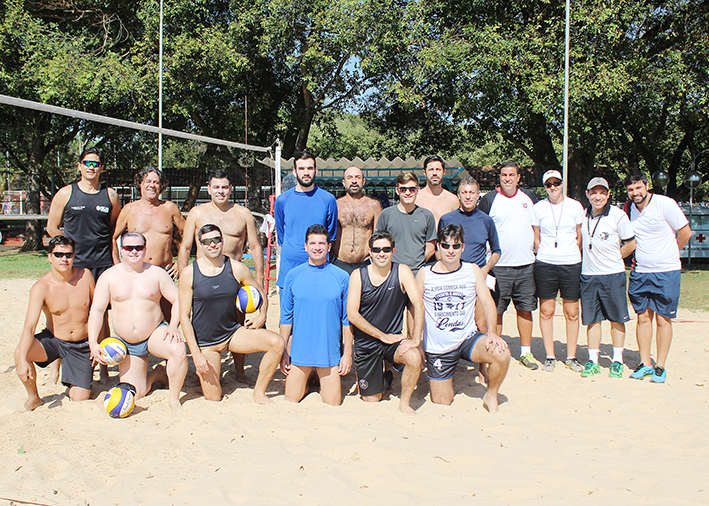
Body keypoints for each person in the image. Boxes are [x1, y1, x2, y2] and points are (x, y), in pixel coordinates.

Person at [179, 224, 283, 404]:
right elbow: (184, 318)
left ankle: (259, 393)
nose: (212, 245)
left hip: (232, 334)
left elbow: (261, 293)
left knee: (277, 343)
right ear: (200, 245)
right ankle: (209, 375)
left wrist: (262, 315)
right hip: (207, 343)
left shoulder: (237, 268)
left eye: (216, 240)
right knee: (213, 397)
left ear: (222, 241)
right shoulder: (189, 273)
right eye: (207, 242)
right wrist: (196, 354)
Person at [178, 169, 263, 383]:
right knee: (200, 323)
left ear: (230, 189)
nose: (220, 191)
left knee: (239, 322)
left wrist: (259, 279)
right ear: (209, 189)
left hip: (233, 279)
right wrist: (182, 277)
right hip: (204, 278)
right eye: (216, 187)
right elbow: (186, 246)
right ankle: (202, 369)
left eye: (224, 187)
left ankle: (240, 371)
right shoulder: (197, 213)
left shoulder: (242, 213)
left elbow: (254, 245)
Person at [89, 232, 187, 412]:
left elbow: (179, 299)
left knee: (178, 349)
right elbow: (96, 310)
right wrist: (93, 342)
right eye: (128, 248)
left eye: (138, 247)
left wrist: (173, 325)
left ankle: (174, 398)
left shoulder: (156, 273)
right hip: (126, 344)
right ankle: (157, 373)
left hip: (154, 334)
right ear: (121, 250)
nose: (133, 251)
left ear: (145, 249)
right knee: (137, 391)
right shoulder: (109, 276)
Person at [416, 224, 510, 412]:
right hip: (438, 348)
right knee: (442, 402)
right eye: (446, 245)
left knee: (502, 353)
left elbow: (488, 302)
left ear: (463, 247)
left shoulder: (472, 269)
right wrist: (416, 339)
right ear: (438, 248)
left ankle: (490, 395)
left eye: (456, 246)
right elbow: (414, 308)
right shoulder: (425, 273)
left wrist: (492, 333)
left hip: (467, 339)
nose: (451, 251)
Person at [46, 146, 121, 383]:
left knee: (102, 317)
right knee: (65, 314)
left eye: (95, 163)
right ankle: (54, 366)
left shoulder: (110, 196)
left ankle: (105, 367)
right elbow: (52, 227)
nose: (91, 167)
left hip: (101, 264)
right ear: (79, 166)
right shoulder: (65, 193)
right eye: (87, 163)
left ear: (101, 168)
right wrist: (66, 253)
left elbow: (112, 229)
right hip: (73, 265)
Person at [625, 170, 692, 383]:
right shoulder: (628, 209)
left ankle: (660, 366)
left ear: (646, 186)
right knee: (643, 318)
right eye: (630, 189)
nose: (635, 192)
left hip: (666, 271)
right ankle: (646, 364)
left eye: (638, 187)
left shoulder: (665, 204)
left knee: (663, 319)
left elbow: (685, 232)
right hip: (640, 271)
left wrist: (670, 254)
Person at [346, 232, 423, 415]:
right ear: (370, 252)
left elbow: (418, 304)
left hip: (393, 340)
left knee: (414, 357)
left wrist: (416, 339)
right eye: (377, 249)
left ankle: (404, 403)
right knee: (371, 399)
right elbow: (352, 314)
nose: (382, 253)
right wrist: (382, 336)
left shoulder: (402, 271)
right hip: (367, 343)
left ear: (393, 251)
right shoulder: (358, 275)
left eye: (386, 249)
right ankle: (388, 375)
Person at [14, 236, 95, 410]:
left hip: (81, 344)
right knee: (21, 351)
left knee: (80, 397)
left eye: (68, 254)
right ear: (50, 257)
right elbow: (29, 326)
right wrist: (21, 361)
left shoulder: (86, 276)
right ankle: (34, 397)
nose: (64, 259)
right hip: (55, 339)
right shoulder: (41, 287)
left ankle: (74, 376)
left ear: (74, 256)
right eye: (58, 254)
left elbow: (98, 313)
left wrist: (98, 345)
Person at [280, 225, 352, 405]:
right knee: (292, 398)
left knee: (333, 402)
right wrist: (283, 353)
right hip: (300, 353)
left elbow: (347, 319)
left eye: (321, 243)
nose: (317, 247)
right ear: (305, 246)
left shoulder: (342, 277)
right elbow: (286, 318)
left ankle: (317, 377)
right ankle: (308, 378)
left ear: (329, 246)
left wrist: (347, 354)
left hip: (328, 353)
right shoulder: (293, 275)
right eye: (312, 243)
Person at [478, 161, 539, 370]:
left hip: (526, 265)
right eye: (504, 175)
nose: (507, 178)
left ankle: (526, 353)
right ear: (500, 177)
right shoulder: (488, 200)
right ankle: (497, 351)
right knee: (497, 311)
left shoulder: (529, 198)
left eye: (511, 175)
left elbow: (537, 227)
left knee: (525, 310)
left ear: (518, 177)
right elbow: (481, 229)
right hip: (498, 267)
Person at [580, 177, 636, 378]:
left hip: (613, 275)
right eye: (593, 192)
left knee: (616, 318)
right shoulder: (583, 215)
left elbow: (630, 244)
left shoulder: (618, 216)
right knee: (592, 320)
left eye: (602, 192)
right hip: (588, 275)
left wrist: (614, 257)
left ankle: (617, 360)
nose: (598, 196)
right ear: (587, 194)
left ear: (608, 194)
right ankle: (592, 361)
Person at [531, 170, 585, 373]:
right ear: (544, 187)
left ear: (562, 184)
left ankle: (571, 356)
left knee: (572, 312)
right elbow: (536, 236)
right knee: (547, 311)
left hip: (571, 263)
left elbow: (579, 236)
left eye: (556, 183)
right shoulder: (538, 208)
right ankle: (550, 356)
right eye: (549, 184)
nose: (553, 187)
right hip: (545, 263)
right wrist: (543, 252)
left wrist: (569, 253)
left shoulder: (575, 206)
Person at [438, 176, 501, 334]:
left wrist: (485, 270)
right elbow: (439, 250)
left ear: (478, 194)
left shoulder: (486, 220)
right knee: (453, 323)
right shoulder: (447, 219)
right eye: (464, 192)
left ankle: (484, 358)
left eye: (471, 192)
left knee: (481, 324)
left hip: (478, 276)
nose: (468, 196)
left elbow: (497, 251)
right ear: (458, 195)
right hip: (453, 278)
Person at [275, 151, 338, 288]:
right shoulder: (282, 200)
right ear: (294, 172)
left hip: (319, 269)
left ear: (316, 171)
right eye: (301, 168)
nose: (306, 172)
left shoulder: (328, 200)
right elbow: (281, 236)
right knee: (288, 310)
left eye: (309, 168)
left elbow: (331, 236)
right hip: (289, 269)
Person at [113, 167, 185, 279]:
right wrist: (118, 266)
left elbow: (188, 234)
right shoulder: (129, 209)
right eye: (148, 181)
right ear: (140, 184)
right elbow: (113, 238)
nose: (152, 185)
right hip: (136, 274)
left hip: (165, 271)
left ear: (161, 186)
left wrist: (180, 262)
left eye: (156, 182)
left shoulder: (170, 208)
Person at [375, 172, 436, 276]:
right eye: (403, 189)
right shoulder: (386, 214)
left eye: (412, 189)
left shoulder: (426, 215)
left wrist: (417, 264)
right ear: (397, 191)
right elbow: (378, 243)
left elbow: (431, 246)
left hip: (418, 273)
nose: (408, 193)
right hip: (392, 273)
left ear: (418, 190)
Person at [331, 166, 381, 274]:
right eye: (350, 177)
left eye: (357, 177)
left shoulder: (374, 206)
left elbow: (378, 237)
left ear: (363, 182)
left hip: (365, 264)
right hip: (340, 264)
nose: (354, 181)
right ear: (344, 182)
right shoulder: (335, 205)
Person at [415, 155, 459, 227]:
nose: (435, 173)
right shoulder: (416, 199)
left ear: (444, 172)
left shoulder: (453, 200)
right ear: (424, 172)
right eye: (431, 169)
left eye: (438, 169)